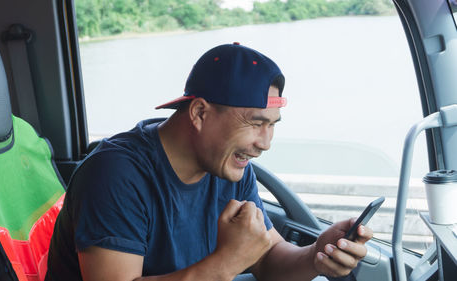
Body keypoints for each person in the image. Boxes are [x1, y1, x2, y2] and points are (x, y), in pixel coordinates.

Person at [46, 43, 372, 281]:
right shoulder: (115, 173)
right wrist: (227, 262)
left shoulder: (229, 163)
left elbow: (267, 257)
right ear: (200, 113)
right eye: (256, 123)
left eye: (272, 125)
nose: (265, 143)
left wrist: (316, 255)